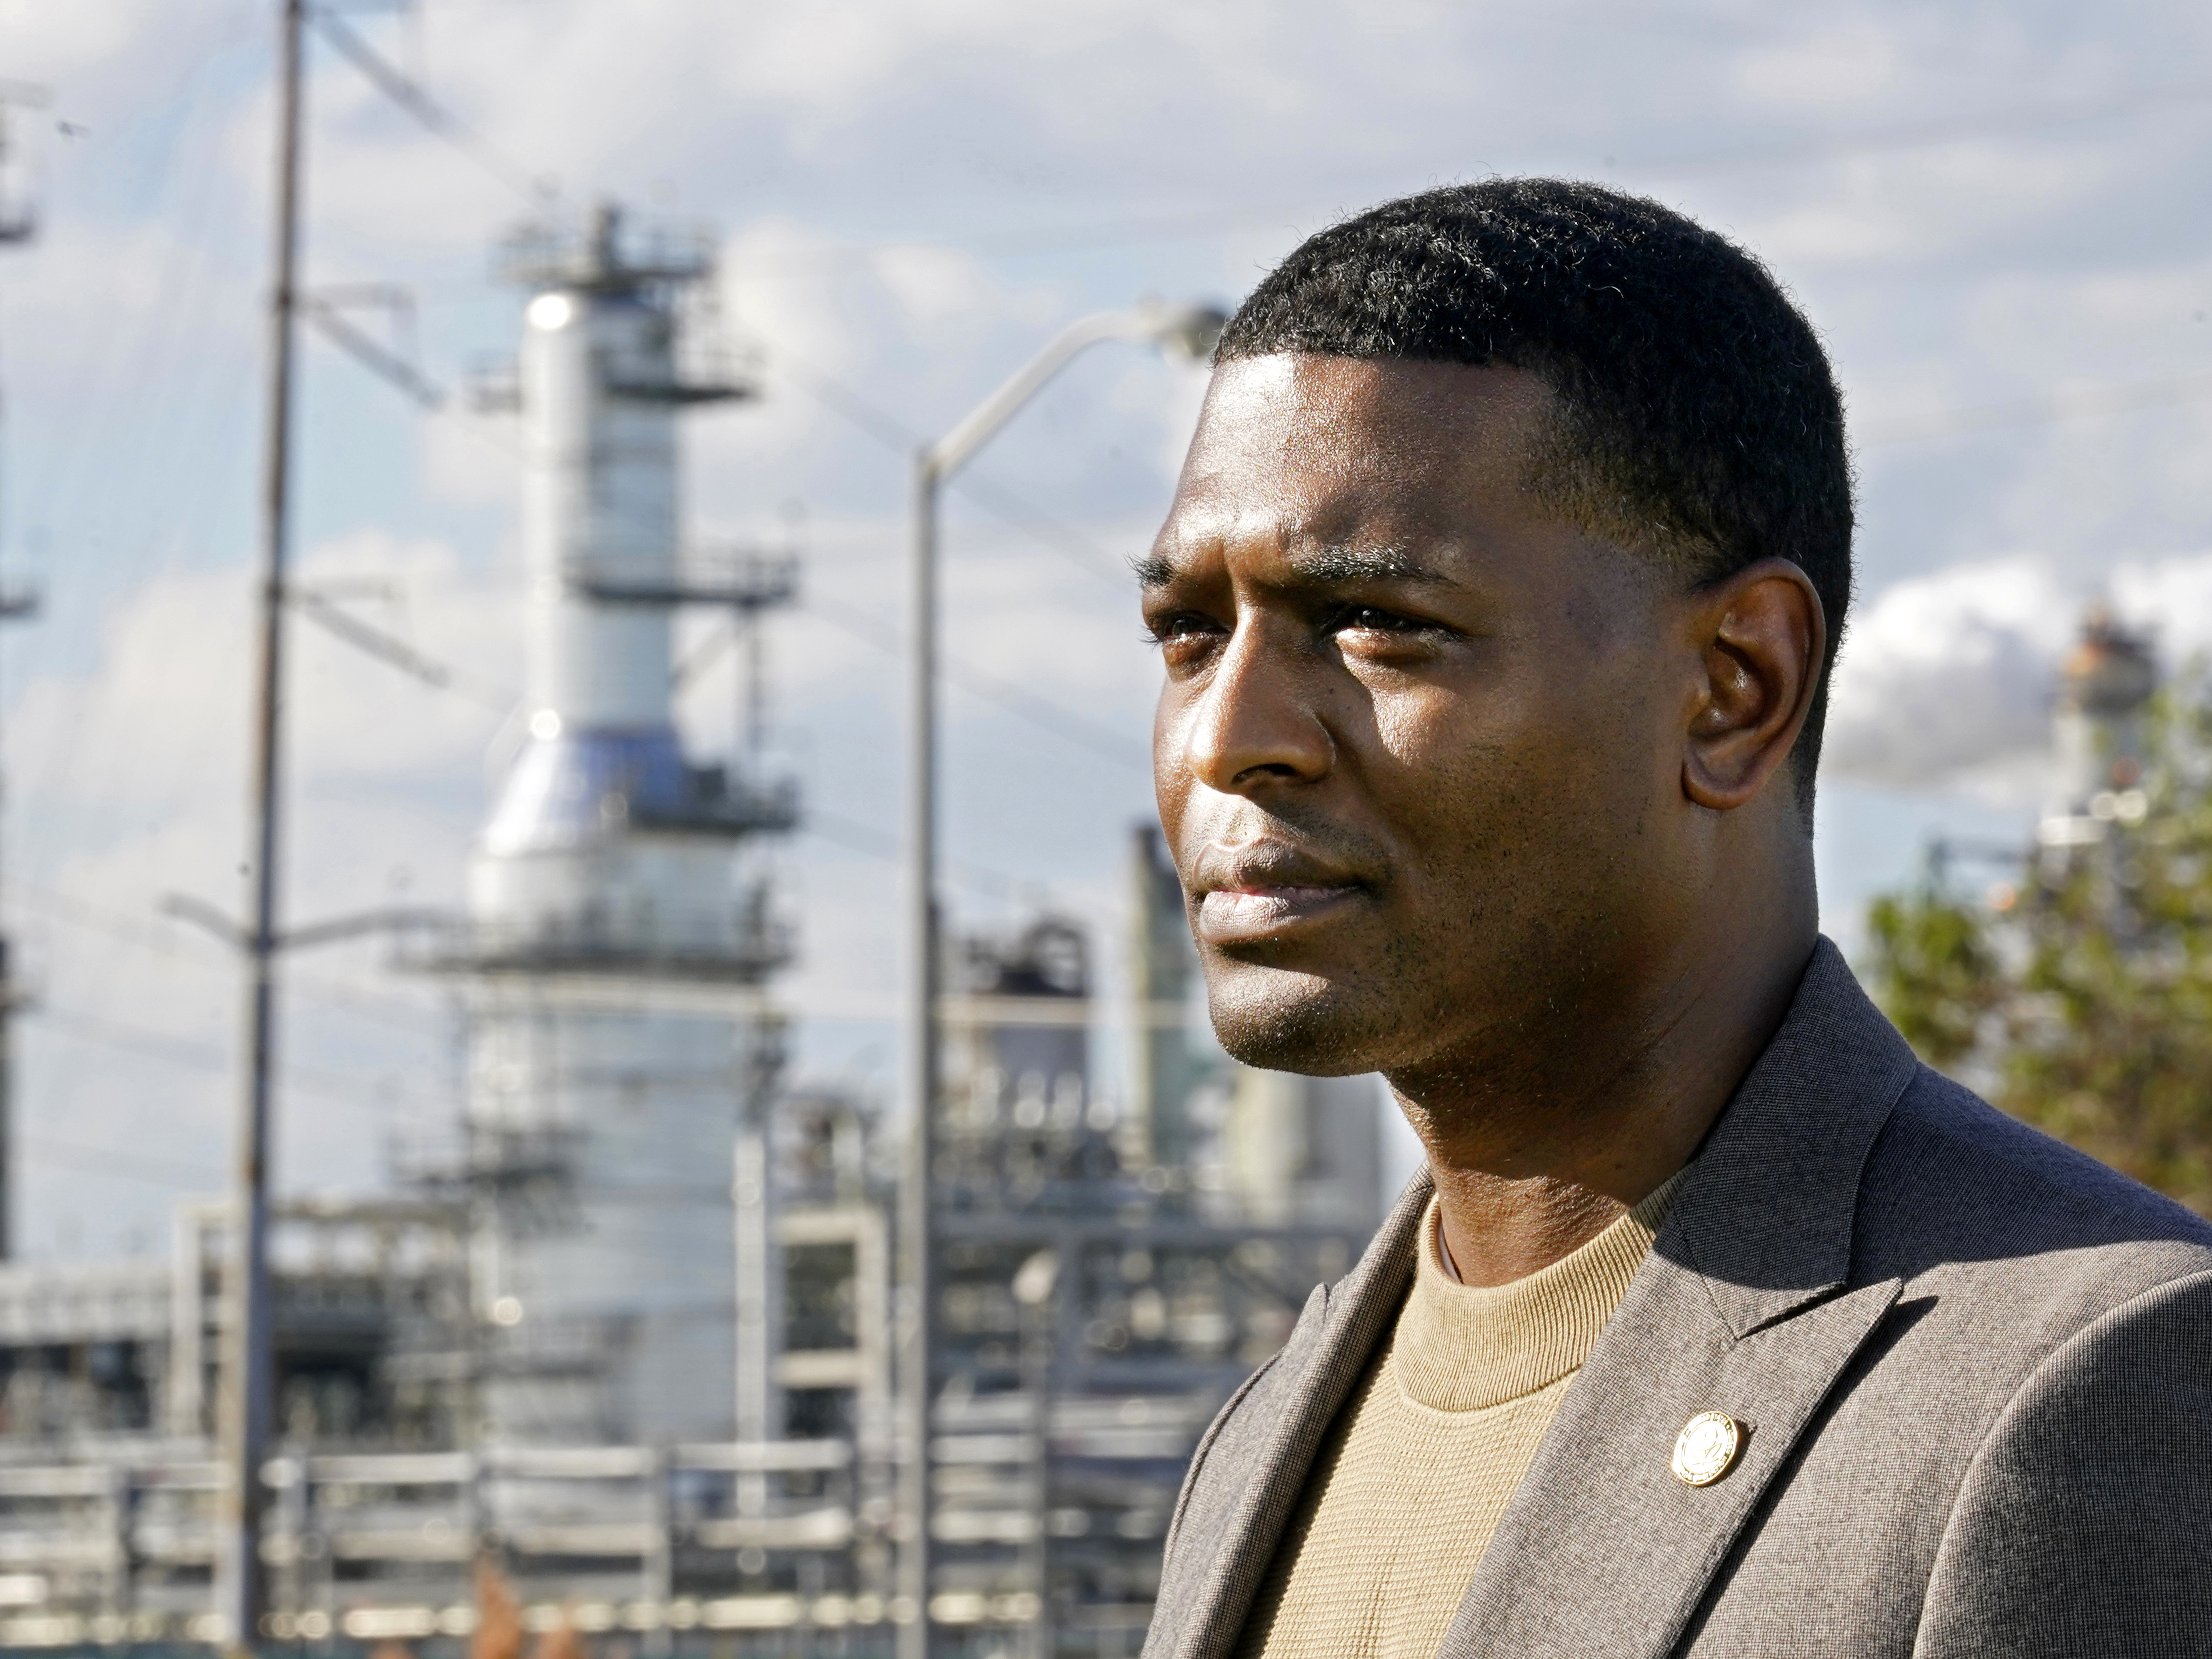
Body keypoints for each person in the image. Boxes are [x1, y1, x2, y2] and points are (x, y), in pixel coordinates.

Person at [1135, 178, 2212, 1659]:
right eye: (1187, 632)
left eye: (1380, 623)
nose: (1227, 736)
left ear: (1735, 688)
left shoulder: (2091, 1377)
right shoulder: (1274, 1426)